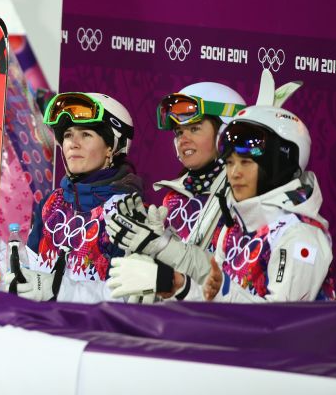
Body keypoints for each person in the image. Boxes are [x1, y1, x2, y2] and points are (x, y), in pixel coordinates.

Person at [0, 91, 148, 303]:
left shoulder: (129, 211)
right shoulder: (52, 204)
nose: (72, 143)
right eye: (68, 135)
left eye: (86, 134)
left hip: (93, 333)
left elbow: (129, 298)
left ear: (111, 147)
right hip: (41, 327)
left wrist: (61, 290)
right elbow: (27, 274)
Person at [104, 82, 247, 301]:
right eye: (179, 131)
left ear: (226, 132)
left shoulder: (243, 199)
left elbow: (230, 282)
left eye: (195, 128)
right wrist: (143, 252)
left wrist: (161, 244)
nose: (183, 139)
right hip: (173, 320)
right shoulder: (174, 197)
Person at [202, 104, 336, 302]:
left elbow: (279, 321)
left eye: (246, 162)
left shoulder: (301, 235)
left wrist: (224, 293)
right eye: (230, 162)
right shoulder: (235, 226)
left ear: (278, 166)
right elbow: (211, 300)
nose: (234, 173)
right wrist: (182, 287)